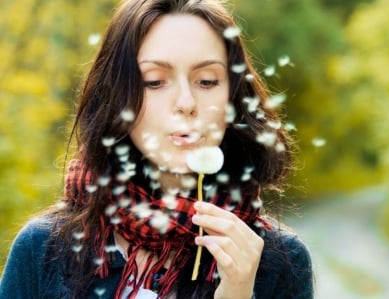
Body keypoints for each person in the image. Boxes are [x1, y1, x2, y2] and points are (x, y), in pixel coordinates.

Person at [0, 0, 314, 298]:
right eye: (154, 81)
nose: (187, 103)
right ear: (118, 98)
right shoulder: (43, 250)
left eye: (206, 81)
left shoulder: (277, 261)